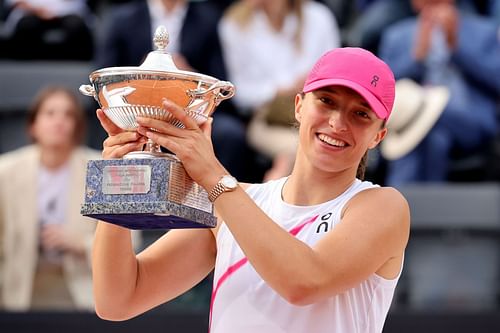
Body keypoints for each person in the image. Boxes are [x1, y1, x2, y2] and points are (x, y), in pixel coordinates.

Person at [92, 47, 410, 333]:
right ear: (299, 106)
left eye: (360, 114)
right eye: (326, 101)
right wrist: (118, 177)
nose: (338, 123)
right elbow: (118, 300)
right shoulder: (231, 203)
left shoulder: (382, 205)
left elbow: (304, 283)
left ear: (377, 137)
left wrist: (214, 177)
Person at [94, 0, 255, 182]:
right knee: (118, 140)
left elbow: (219, 77)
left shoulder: (208, 19)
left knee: (230, 135)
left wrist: (188, 74)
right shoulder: (122, 18)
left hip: (190, 111)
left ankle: (222, 203)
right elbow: (105, 74)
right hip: (135, 111)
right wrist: (142, 76)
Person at [378, 0, 500, 185]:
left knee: (426, 126)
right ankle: (427, 209)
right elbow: (382, 89)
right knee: (435, 139)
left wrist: (457, 47)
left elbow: (496, 80)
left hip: (470, 119)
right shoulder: (396, 35)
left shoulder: (484, 31)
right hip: (417, 120)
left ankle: (395, 203)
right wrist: (416, 57)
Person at [0, 86, 99, 310]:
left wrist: (79, 244)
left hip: (85, 293)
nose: (59, 121)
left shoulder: (99, 170)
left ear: (77, 126)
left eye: (68, 114)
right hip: (20, 293)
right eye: (50, 113)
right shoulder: (5, 172)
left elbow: (129, 245)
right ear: (33, 125)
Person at [218, 0, 340, 180]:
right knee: (299, 147)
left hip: (319, 110)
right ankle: (271, 199)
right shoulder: (235, 24)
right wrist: (282, 90)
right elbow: (238, 92)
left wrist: (311, 82)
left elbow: (336, 71)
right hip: (268, 116)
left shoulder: (318, 17)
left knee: (318, 144)